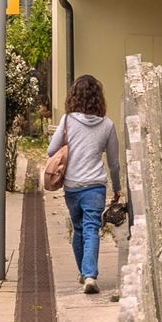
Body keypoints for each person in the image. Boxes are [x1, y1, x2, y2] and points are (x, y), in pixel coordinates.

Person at [48, 75, 118, 296]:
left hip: (73, 185)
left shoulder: (67, 120)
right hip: (96, 185)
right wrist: (117, 187)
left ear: (74, 96)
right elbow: (114, 162)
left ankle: (85, 273)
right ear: (98, 98)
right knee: (91, 229)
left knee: (78, 229)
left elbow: (51, 150)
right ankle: (89, 275)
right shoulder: (107, 124)